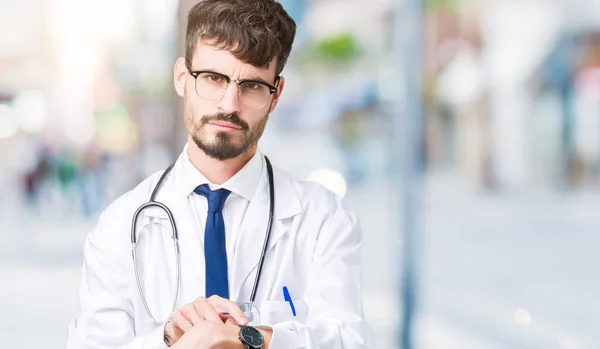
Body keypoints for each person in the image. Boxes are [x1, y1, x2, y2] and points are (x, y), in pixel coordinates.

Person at [67, 0, 372, 348]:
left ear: (276, 96)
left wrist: (244, 338)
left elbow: (349, 340)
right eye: (213, 78)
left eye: (253, 86)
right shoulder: (119, 226)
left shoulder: (323, 219)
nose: (229, 104)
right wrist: (168, 339)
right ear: (182, 77)